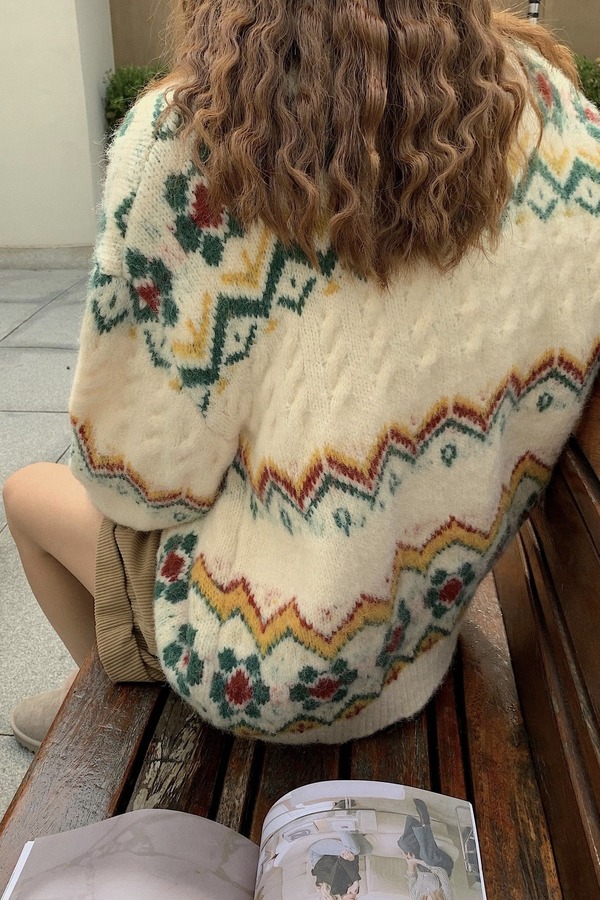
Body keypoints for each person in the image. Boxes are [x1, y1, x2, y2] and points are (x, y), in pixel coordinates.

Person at [4, 2, 600, 750]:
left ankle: (105, 711)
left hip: (264, 663)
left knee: (26, 493)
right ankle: (107, 679)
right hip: (420, 627)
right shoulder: (553, 117)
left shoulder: (187, 145)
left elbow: (135, 485)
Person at [397, 798, 454, 878]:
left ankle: (418, 827)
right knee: (428, 858)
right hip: (441, 865)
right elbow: (441, 873)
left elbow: (411, 876)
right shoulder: (444, 886)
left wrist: (410, 862)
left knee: (404, 844)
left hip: (422, 867)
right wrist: (417, 861)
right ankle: (425, 822)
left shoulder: (414, 888)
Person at [310, 832, 372, 897]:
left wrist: (355, 881)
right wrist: (352, 859)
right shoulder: (351, 888)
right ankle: (350, 830)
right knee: (368, 849)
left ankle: (340, 826)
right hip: (333, 856)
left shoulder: (333, 889)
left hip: (318, 853)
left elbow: (341, 860)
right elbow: (354, 862)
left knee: (353, 850)